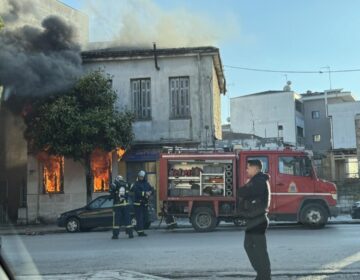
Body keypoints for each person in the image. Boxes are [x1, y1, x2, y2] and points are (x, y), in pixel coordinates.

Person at [237, 159, 271, 280]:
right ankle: (262, 274)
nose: (246, 170)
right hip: (254, 220)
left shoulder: (259, 181)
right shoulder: (256, 180)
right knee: (249, 246)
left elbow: (243, 192)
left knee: (260, 250)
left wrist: (243, 188)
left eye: (248, 167)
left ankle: (264, 276)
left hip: (258, 219)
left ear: (255, 168)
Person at [109, 175, 134, 239]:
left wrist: (111, 195)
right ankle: (130, 234)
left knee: (116, 221)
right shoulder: (126, 184)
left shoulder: (115, 184)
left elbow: (111, 191)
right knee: (128, 220)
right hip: (126, 205)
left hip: (117, 205)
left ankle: (115, 235)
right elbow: (132, 187)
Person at [130, 170, 154, 236]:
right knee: (139, 218)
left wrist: (150, 192)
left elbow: (152, 189)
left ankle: (139, 229)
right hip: (138, 204)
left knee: (145, 218)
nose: (141, 178)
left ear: (144, 177)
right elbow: (137, 192)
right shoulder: (136, 184)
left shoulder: (146, 183)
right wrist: (144, 193)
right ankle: (140, 232)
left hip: (144, 204)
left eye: (142, 177)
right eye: (140, 176)